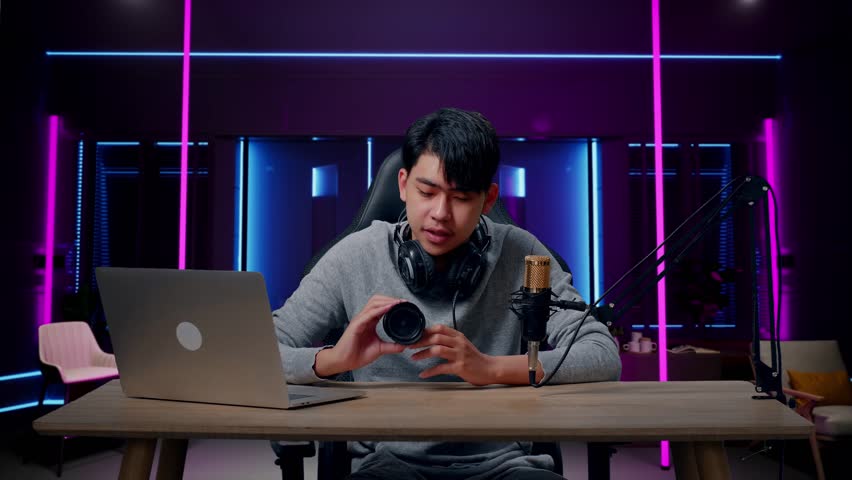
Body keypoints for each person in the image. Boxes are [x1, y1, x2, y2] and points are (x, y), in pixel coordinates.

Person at [273, 107, 621, 479]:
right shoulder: (355, 256)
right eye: (427, 192)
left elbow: (600, 355)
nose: (440, 213)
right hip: (389, 465)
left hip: (506, 465)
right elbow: (264, 352)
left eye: (460, 198)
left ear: (488, 200)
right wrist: (334, 359)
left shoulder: (525, 253)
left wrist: (489, 368)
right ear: (404, 185)